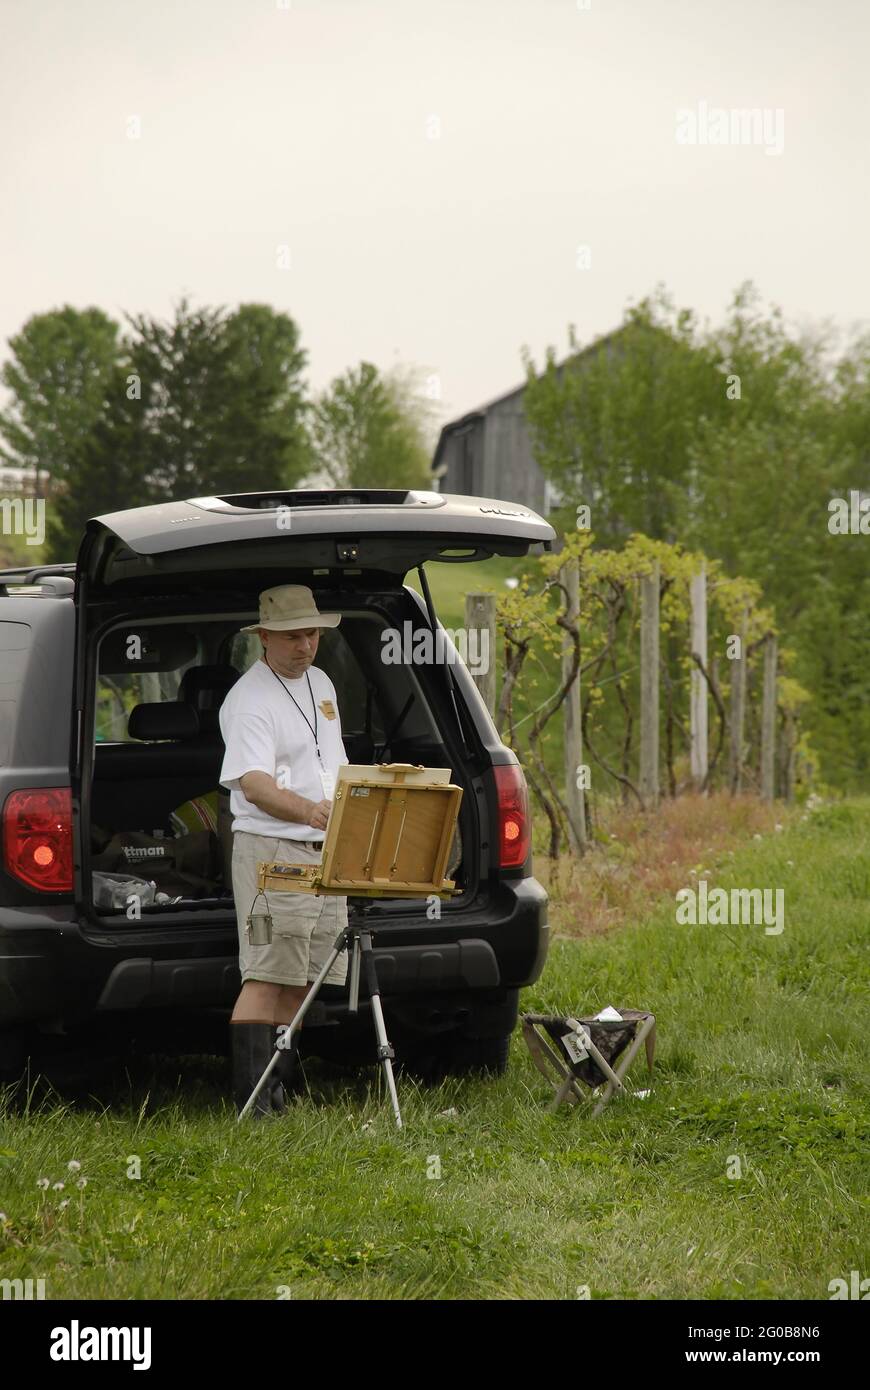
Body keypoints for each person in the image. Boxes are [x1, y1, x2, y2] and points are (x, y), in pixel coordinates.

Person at [219, 584, 349, 1116]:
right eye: (294, 635)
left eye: (313, 633)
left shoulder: (320, 682)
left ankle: (279, 1088)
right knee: (267, 973)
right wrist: (311, 810)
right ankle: (254, 1101)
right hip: (274, 851)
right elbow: (254, 784)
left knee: (307, 974)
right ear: (265, 637)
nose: (306, 645)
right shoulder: (249, 700)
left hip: (326, 850)